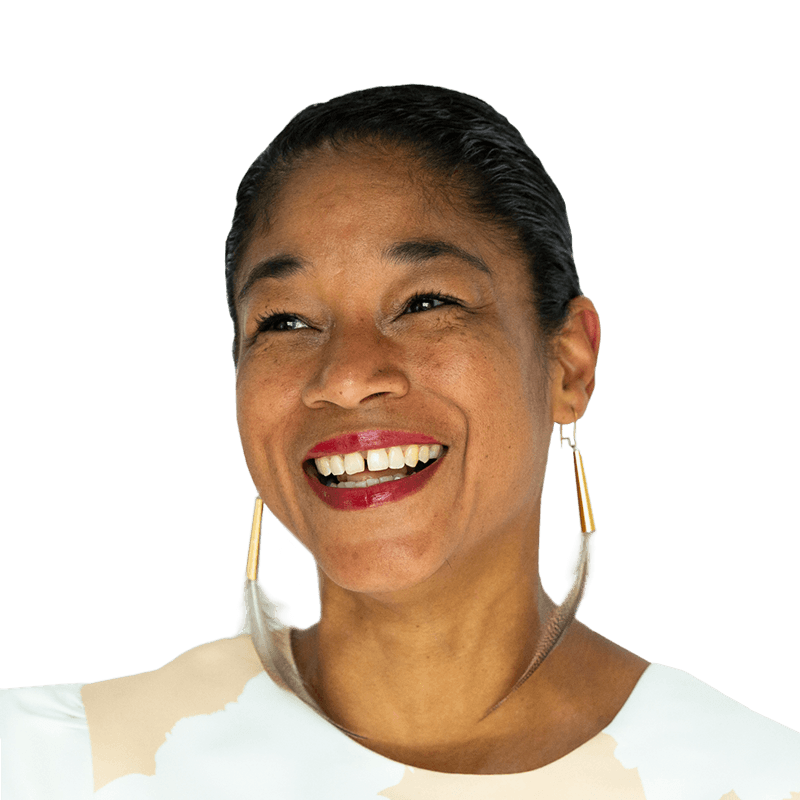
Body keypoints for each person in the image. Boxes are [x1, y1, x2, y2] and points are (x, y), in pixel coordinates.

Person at [1, 84, 798, 798]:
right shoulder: (46, 767)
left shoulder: (758, 780)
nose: (345, 377)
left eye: (425, 303)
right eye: (284, 321)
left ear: (568, 363)